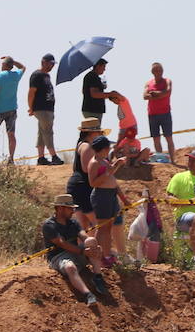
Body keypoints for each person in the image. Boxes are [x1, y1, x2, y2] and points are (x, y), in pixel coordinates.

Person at [43, 194, 107, 306]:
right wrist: (83, 252)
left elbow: (84, 236)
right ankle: (88, 294)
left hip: (76, 253)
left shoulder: (73, 222)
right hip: (59, 257)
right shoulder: (49, 225)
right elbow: (61, 243)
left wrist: (94, 246)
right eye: (70, 208)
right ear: (60, 208)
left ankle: (98, 277)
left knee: (91, 240)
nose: (73, 211)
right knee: (70, 267)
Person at [86, 135, 130, 265]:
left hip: (110, 194)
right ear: (104, 148)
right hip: (102, 196)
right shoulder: (95, 163)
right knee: (103, 227)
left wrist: (123, 198)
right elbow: (93, 182)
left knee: (108, 227)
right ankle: (99, 256)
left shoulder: (104, 161)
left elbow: (112, 179)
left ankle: (106, 255)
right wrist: (110, 169)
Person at [65, 117, 103, 234]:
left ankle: (87, 249)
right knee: (98, 223)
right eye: (98, 131)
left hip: (79, 186)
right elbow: (87, 168)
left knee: (84, 226)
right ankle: (99, 249)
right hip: (83, 187)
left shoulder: (82, 145)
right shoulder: (86, 146)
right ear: (91, 132)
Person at [0, 56, 26, 164]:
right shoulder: (16, 75)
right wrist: (13, 60)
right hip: (12, 108)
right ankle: (11, 158)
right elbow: (23, 67)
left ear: (4, 65)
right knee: (11, 134)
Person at [28, 53, 60, 165]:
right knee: (48, 132)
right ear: (43, 62)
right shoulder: (36, 75)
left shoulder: (46, 76)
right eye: (50, 63)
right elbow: (31, 92)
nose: (52, 66)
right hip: (41, 108)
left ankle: (41, 157)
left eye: (53, 64)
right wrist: (31, 108)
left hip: (48, 108)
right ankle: (54, 156)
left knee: (42, 132)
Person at [143, 63, 174, 160]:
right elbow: (144, 96)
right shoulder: (148, 83)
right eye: (156, 70)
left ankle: (173, 159)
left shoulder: (167, 81)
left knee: (168, 137)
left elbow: (168, 92)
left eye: (160, 70)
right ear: (152, 72)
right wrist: (160, 94)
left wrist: (155, 94)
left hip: (165, 113)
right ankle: (161, 159)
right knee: (156, 138)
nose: (158, 72)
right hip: (152, 114)